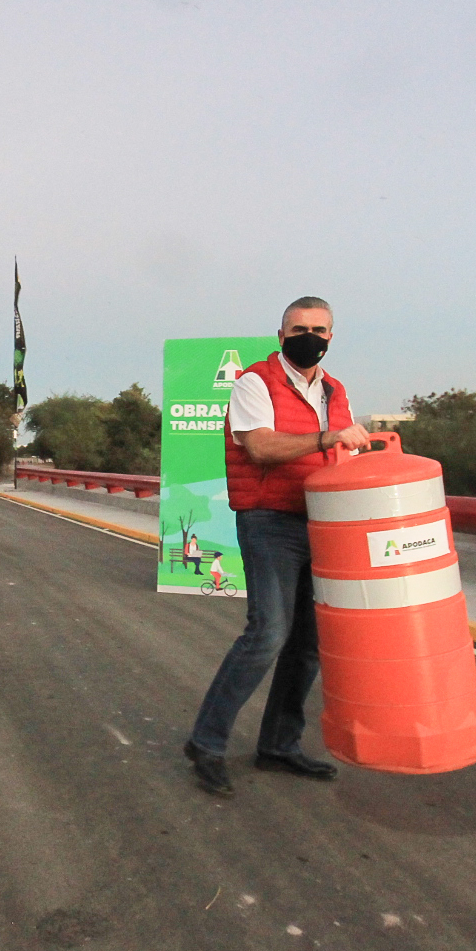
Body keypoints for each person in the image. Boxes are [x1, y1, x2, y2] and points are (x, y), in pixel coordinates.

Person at [182, 298, 372, 797]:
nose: (311, 336)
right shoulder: (254, 382)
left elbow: (343, 457)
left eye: (321, 329)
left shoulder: (335, 389)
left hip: (325, 524)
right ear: (281, 333)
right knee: (268, 633)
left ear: (332, 336)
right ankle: (206, 742)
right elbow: (260, 446)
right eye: (300, 328)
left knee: (309, 645)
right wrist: (328, 435)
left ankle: (279, 745)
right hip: (270, 522)